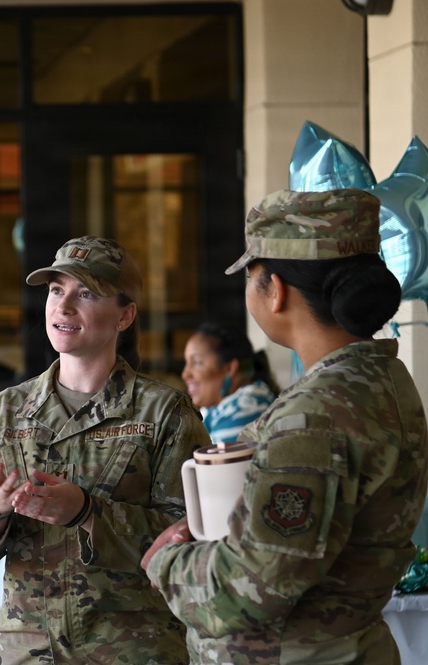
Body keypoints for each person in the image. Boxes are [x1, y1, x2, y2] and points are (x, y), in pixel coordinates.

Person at [142, 188, 428, 664]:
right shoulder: (378, 379)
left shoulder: (315, 414)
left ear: (275, 290)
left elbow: (249, 590)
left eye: (251, 277)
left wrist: (165, 562)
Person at [0, 236, 211, 664]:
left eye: (85, 293)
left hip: (132, 649)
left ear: (125, 316)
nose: (63, 308)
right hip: (29, 650)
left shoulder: (165, 414)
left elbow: (195, 540)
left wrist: (87, 512)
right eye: (55, 290)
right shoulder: (0, 414)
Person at [182, 321, 279, 444]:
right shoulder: (219, 409)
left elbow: (219, 461)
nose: (185, 374)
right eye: (186, 363)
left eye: (196, 362)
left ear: (229, 368)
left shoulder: (246, 408)